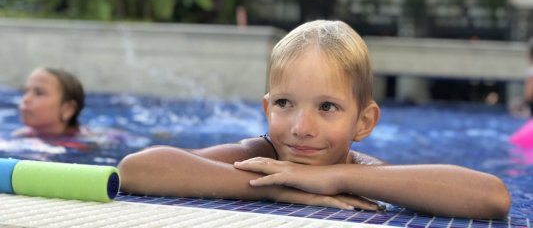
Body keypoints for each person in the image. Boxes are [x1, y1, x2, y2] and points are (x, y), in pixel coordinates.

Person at [118, 20, 510, 219]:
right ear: (267, 109)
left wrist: (335, 177)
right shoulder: (259, 155)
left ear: (364, 122)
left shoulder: (361, 172)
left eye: (327, 107)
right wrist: (275, 189)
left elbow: (492, 198)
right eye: (285, 103)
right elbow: (136, 169)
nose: (301, 128)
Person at [13, 67, 86, 137]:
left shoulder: (83, 141)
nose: (26, 99)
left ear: (67, 110)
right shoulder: (21, 135)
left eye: (39, 93)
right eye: (25, 92)